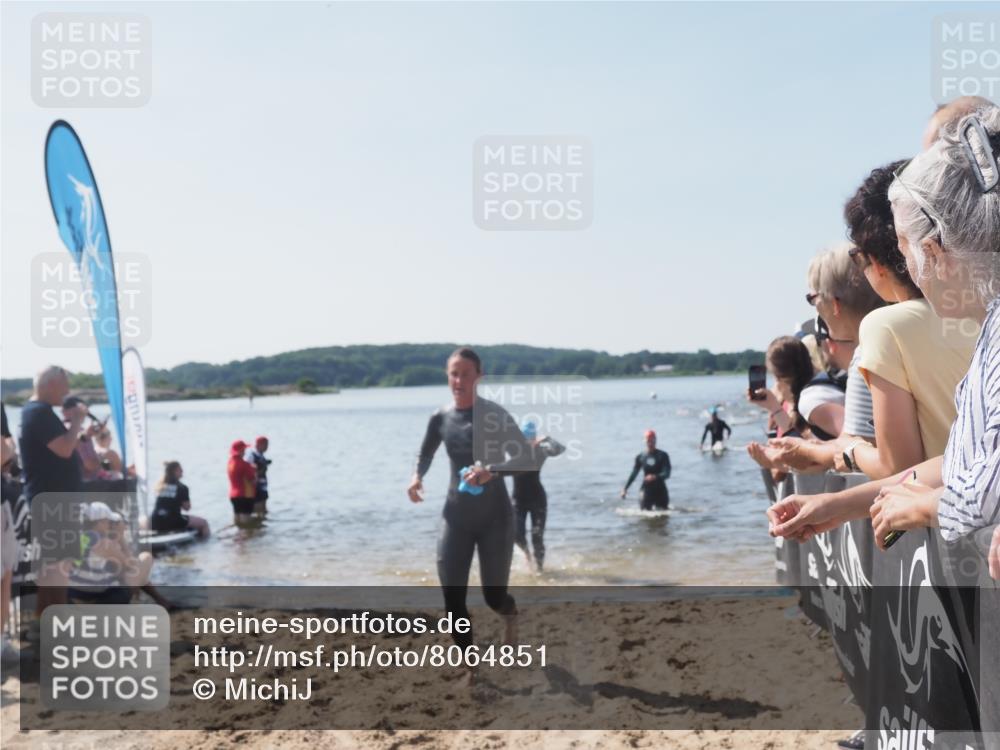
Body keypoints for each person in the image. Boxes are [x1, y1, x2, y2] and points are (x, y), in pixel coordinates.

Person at [768, 106, 1000, 580]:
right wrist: (839, 505)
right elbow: (962, 466)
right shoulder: (986, 332)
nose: (906, 268)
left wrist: (924, 507)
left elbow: (981, 498)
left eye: (905, 248)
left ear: (934, 251)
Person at [408, 347, 528, 681]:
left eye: (465, 374)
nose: (458, 380)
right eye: (453, 373)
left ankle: (510, 616)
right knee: (452, 599)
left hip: (495, 519)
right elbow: (425, 452)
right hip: (456, 517)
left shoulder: (495, 415)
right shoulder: (440, 417)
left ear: (479, 377)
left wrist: (492, 471)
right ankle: (471, 665)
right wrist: (416, 476)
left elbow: (524, 459)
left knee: (494, 597)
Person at [749, 244, 884, 472]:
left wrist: (800, 453)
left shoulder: (866, 357)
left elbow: (872, 452)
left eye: (812, 298)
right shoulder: (906, 330)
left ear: (834, 304)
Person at [18, 366, 84, 618]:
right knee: (57, 569)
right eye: (64, 386)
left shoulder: (35, 412)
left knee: (51, 570)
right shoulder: (39, 412)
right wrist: (76, 421)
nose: (66, 393)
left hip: (51, 500)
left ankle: (44, 625)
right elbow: (64, 449)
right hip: (53, 503)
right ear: (51, 385)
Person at [67, 501, 152, 604]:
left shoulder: (81, 536)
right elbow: (131, 566)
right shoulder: (103, 542)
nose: (110, 525)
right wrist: (121, 537)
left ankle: (157, 599)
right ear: (100, 522)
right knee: (146, 558)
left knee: (120, 574)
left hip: (74, 593)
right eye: (108, 521)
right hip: (94, 598)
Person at [511, 421, 565, 574]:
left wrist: (547, 438)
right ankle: (527, 557)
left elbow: (560, 449)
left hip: (537, 500)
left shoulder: (541, 452)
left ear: (534, 438)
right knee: (516, 534)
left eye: (529, 438)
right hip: (518, 500)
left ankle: (540, 570)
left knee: (537, 537)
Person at [151, 461, 209, 538]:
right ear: (174, 472)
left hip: (155, 521)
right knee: (204, 523)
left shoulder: (159, 486)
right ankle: (205, 542)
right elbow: (187, 508)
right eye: (180, 469)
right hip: (172, 521)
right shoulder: (182, 487)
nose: (182, 471)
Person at [621, 429, 672, 510]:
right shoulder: (640, 457)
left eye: (652, 440)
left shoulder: (663, 456)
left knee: (664, 513)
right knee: (644, 513)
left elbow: (667, 473)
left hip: (660, 490)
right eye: (648, 441)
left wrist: (655, 477)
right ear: (644, 441)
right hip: (646, 489)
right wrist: (625, 488)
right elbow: (634, 474)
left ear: (655, 441)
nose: (650, 443)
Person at [227, 440, 257, 526]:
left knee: (237, 518)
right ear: (241, 451)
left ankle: (236, 533)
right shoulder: (245, 465)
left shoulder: (230, 463)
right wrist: (254, 470)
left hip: (233, 495)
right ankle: (247, 533)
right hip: (245, 495)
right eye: (244, 450)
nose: (245, 452)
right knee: (246, 521)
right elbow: (253, 481)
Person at [244, 436, 271, 517]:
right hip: (255, 486)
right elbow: (246, 471)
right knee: (257, 508)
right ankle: (256, 522)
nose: (267, 447)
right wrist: (258, 471)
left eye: (267, 445)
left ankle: (263, 522)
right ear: (259, 444)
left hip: (263, 485)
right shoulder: (251, 455)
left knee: (263, 507)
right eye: (265, 445)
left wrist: (265, 463)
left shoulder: (261, 455)